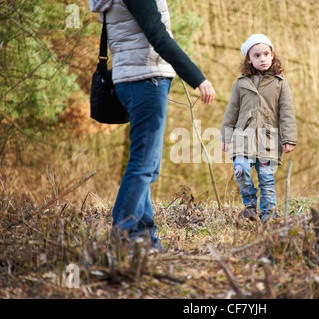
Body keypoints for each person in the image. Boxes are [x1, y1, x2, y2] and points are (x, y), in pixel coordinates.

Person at [89, 0, 215, 250]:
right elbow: (157, 35)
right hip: (146, 80)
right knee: (144, 163)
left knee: (148, 164)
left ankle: (142, 237)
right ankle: (122, 236)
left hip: (132, 79)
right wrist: (197, 78)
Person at [220, 34, 297, 223]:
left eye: (265, 54)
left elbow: (287, 113)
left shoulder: (280, 84)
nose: (262, 58)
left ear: (272, 55)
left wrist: (288, 138)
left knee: (266, 178)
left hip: (268, 139)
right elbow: (231, 111)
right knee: (241, 169)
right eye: (256, 55)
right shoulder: (241, 83)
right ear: (249, 59)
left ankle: (269, 213)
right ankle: (250, 207)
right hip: (242, 137)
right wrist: (225, 136)